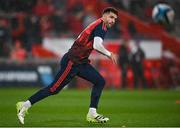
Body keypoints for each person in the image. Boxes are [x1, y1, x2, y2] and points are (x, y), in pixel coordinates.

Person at [16, 7, 118, 124]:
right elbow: (97, 45)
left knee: (100, 81)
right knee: (53, 89)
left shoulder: (100, 25)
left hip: (81, 62)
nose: (113, 20)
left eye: (115, 19)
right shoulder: (100, 26)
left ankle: (92, 114)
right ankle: (24, 105)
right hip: (72, 62)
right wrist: (109, 54)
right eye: (111, 17)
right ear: (104, 15)